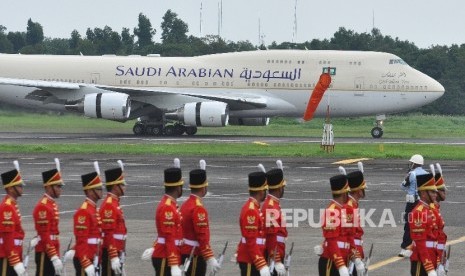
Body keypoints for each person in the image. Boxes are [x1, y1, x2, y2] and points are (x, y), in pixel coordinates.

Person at [142, 158, 184, 276]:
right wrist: (174, 264)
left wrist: (154, 246)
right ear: (177, 187)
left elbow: (164, 233)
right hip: (165, 257)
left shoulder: (171, 204)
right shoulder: (168, 208)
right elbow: (168, 236)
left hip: (168, 255)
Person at [180, 160, 221, 276]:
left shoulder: (186, 204)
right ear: (203, 188)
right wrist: (210, 257)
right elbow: (201, 236)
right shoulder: (198, 208)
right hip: (195, 254)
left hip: (186, 251)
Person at [32, 158, 64, 276]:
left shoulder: (51, 204)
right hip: (45, 252)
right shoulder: (43, 207)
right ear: (50, 187)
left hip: (52, 250)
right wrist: (53, 256)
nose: (60, 189)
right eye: (58, 186)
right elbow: (45, 234)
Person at [236, 165, 270, 276]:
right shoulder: (251, 210)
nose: (266, 193)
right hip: (250, 259)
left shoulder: (255, 208)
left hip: (254, 257)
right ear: (261, 191)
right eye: (265, 190)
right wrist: (261, 263)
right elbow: (250, 240)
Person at [73, 162, 104, 276]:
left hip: (94, 256)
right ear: (90, 191)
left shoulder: (93, 209)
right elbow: (81, 239)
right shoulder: (84, 211)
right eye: (98, 188)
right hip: (86, 259)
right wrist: (86, 263)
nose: (102, 191)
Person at [318, 174, 351, 276]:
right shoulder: (332, 211)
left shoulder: (341, 209)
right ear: (344, 192)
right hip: (332, 262)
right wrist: (340, 264)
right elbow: (332, 240)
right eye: (347, 192)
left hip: (341, 258)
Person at [99, 160, 127, 276]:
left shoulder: (115, 203)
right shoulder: (109, 205)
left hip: (117, 250)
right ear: (115, 186)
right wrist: (114, 255)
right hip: (111, 252)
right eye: (122, 184)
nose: (125, 187)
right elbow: (108, 233)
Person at [409, 172, 438, 276]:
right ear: (423, 193)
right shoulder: (418, 212)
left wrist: (438, 262)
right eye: (432, 191)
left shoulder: (430, 210)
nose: (435, 194)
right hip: (422, 261)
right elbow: (420, 243)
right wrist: (429, 268)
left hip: (432, 256)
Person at [0, 161, 26, 276]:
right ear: (10, 188)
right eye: (19, 186)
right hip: (8, 256)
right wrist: (15, 261)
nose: (22, 188)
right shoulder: (7, 207)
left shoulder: (12, 205)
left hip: (14, 253)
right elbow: (7, 236)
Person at [399, 154, 428, 257]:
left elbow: (402, 186)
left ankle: (405, 247)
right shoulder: (426, 173)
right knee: (421, 225)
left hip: (412, 203)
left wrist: (410, 190)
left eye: (412, 163)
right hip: (422, 203)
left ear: (414, 164)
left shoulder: (411, 174)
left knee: (408, 225)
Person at [262, 160, 287, 276]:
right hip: (273, 255)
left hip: (279, 251)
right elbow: (271, 236)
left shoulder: (274, 204)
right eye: (283, 186)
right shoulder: (271, 207)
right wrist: (276, 260)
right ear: (279, 188)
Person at [346, 162, 367, 276]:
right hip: (352, 252)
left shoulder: (353, 204)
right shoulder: (349, 207)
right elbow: (349, 234)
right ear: (359, 191)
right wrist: (356, 258)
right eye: (363, 188)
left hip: (355, 250)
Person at [431, 163, 447, 276]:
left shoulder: (436, 207)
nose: (444, 193)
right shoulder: (430, 209)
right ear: (436, 192)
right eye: (442, 190)